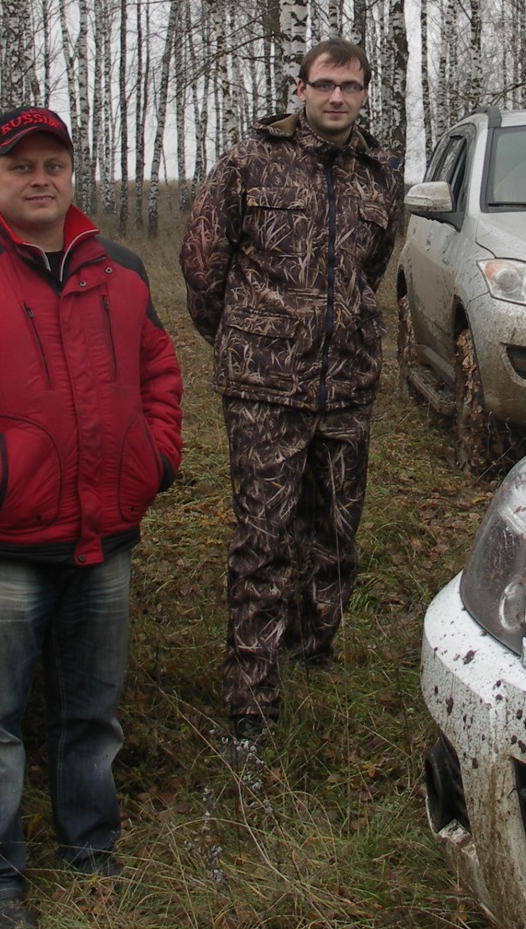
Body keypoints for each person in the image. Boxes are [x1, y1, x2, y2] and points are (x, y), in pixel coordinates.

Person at [0, 106, 182, 929]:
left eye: (53, 163)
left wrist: (152, 457)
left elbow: (161, 371)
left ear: (71, 175)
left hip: (104, 539)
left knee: (92, 711)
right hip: (1, 543)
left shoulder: (120, 271)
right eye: (21, 166)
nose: (40, 179)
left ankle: (91, 849)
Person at [180, 39, 404, 760]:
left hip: (345, 384)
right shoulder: (251, 160)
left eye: (351, 86)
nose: (337, 97)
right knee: (264, 540)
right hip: (263, 389)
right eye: (325, 84)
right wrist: (247, 340)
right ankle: (251, 698)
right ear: (300, 88)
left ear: (366, 93)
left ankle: (311, 650)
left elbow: (371, 267)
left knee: (336, 534)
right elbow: (202, 260)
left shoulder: (380, 175)